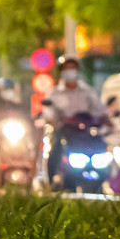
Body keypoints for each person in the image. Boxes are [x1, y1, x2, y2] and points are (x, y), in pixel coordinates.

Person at [42, 55, 105, 186]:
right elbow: (48, 112)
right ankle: (52, 179)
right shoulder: (54, 93)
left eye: (73, 68)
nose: (70, 71)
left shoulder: (88, 91)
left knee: (102, 146)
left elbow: (99, 110)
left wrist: (104, 119)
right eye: (67, 68)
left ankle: (103, 179)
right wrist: (52, 118)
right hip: (64, 130)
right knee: (55, 147)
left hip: (85, 131)